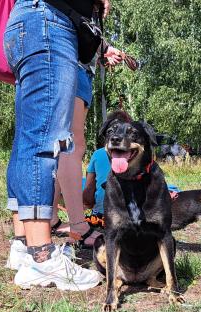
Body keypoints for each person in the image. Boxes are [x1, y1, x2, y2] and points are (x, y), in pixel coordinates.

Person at [3, 0, 110, 291]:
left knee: (27, 139)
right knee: (43, 139)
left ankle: (24, 245)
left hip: (33, 25)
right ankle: (42, 257)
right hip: (49, 24)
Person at [50, 44, 123, 248]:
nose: (106, 10)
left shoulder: (99, 154)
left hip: (69, 68)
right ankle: (79, 227)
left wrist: (101, 51)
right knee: (71, 145)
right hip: (73, 70)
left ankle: (52, 217)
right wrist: (103, 47)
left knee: (58, 147)